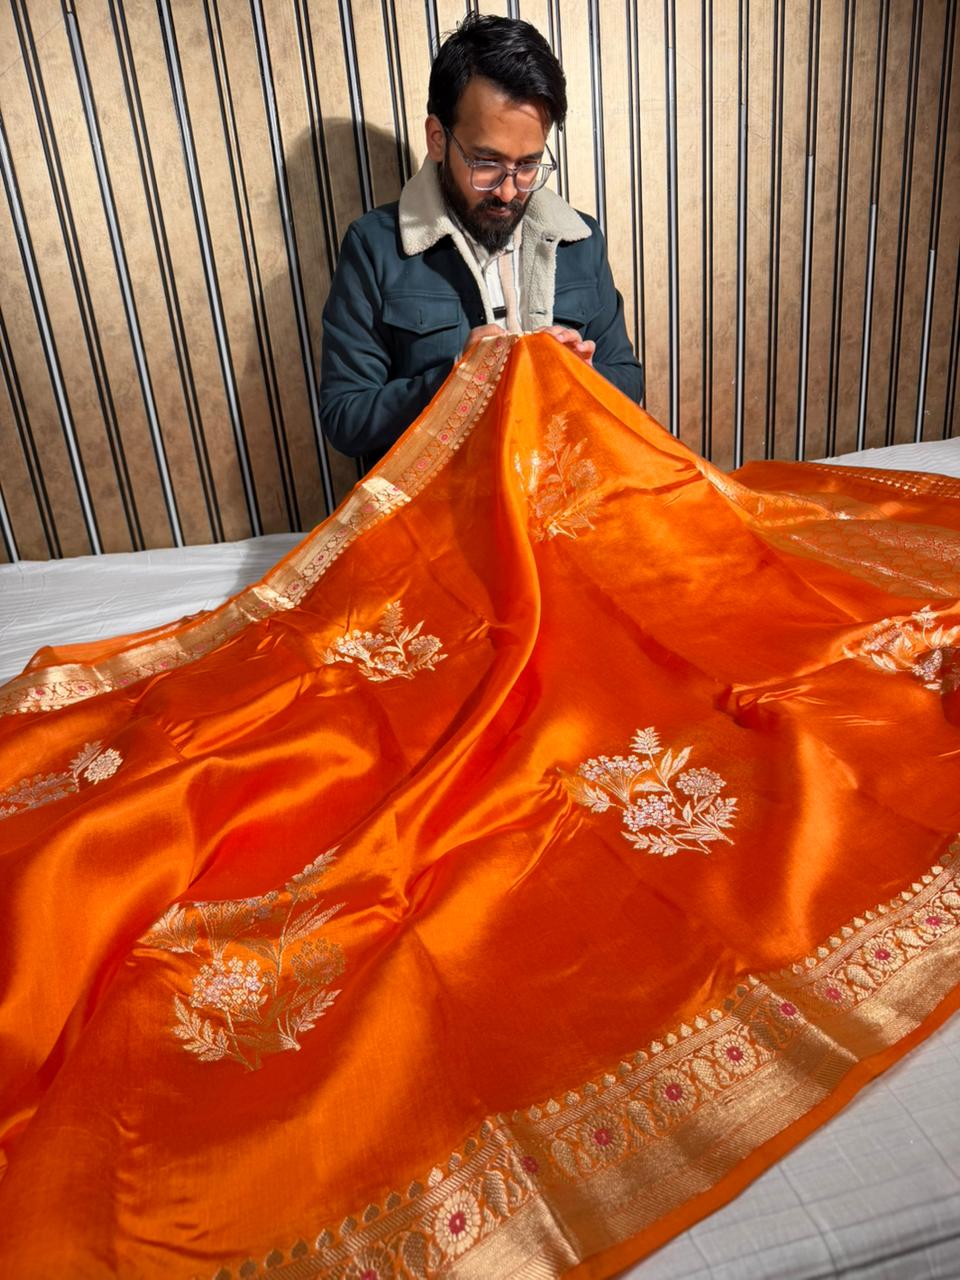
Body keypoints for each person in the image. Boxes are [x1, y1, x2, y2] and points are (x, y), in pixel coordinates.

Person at [319, 13, 644, 459]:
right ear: (438, 138)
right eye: (486, 163)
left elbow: (628, 379)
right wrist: (453, 381)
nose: (509, 190)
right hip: (442, 516)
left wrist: (581, 378)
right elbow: (345, 420)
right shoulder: (373, 247)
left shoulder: (581, 238)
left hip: (564, 504)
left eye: (528, 165)